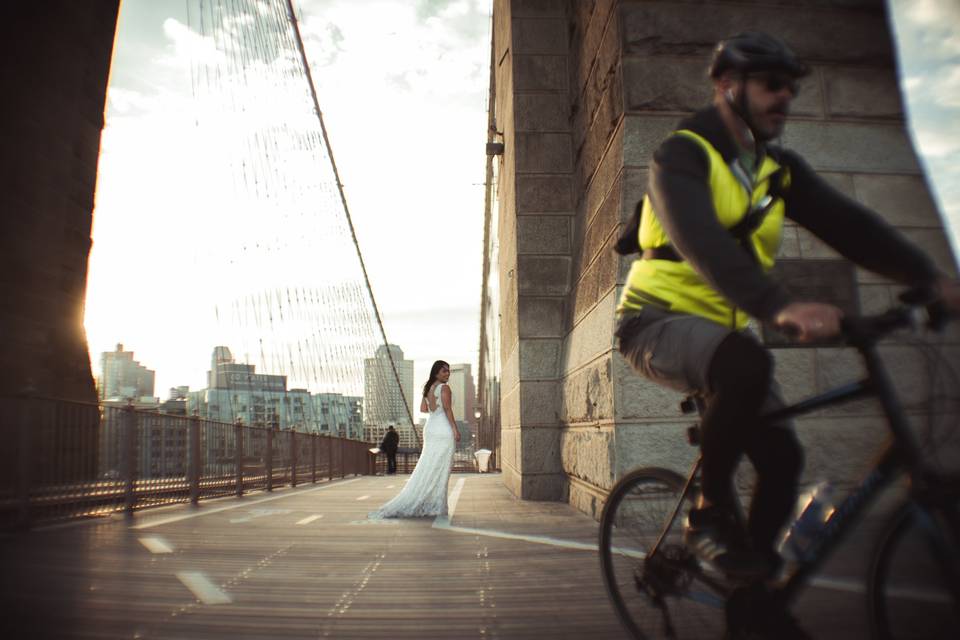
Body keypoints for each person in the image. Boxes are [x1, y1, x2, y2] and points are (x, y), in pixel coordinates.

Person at [614, 31, 960, 583]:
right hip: (653, 324)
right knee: (748, 362)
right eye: (772, 85)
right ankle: (706, 514)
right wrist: (778, 305)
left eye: (791, 88)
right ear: (727, 86)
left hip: (718, 338)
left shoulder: (778, 172)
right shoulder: (680, 157)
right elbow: (703, 243)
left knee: (782, 458)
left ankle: (754, 598)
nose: (785, 98)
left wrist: (930, 278)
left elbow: (853, 227)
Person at [369, 360, 461, 518]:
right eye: (444, 371)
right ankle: (437, 506)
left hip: (430, 428)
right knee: (441, 468)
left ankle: (426, 500)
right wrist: (454, 428)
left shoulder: (428, 388)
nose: (447, 374)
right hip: (442, 429)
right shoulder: (444, 388)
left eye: (448, 371)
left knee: (429, 465)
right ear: (436, 373)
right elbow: (447, 409)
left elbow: (423, 409)